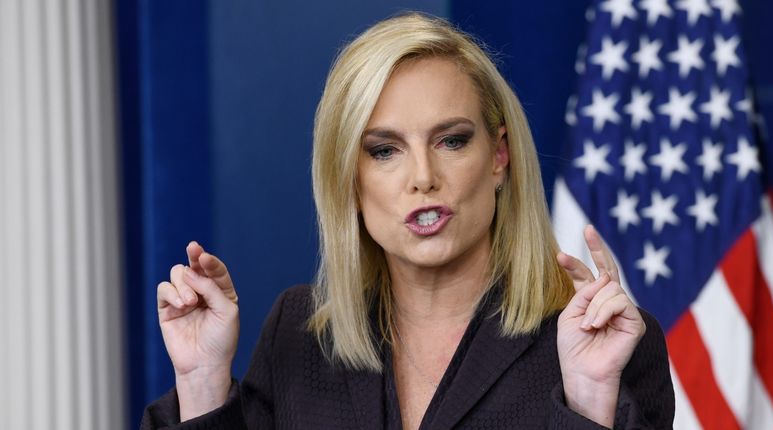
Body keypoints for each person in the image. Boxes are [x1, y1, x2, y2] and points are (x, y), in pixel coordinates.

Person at [141, 12, 674, 430]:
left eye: (451, 141)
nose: (423, 177)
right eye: (384, 150)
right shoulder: (296, 334)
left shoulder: (601, 338)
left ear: (499, 157)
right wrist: (201, 380)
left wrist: (588, 400)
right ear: (349, 181)